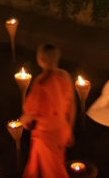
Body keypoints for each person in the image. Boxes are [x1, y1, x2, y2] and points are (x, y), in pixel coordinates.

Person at [20, 43, 74, 178]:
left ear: (40, 60)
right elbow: (72, 105)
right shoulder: (65, 76)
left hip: (45, 134)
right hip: (61, 129)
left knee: (52, 171)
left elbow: (33, 112)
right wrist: (69, 129)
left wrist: (23, 120)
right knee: (55, 164)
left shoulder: (41, 82)